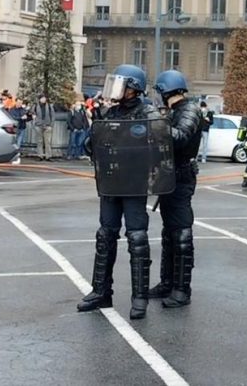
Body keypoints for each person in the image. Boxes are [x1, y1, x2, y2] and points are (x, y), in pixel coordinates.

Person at [78, 65, 162, 319]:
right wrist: (97, 126)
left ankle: (139, 297)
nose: (116, 89)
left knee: (137, 239)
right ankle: (101, 291)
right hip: (112, 182)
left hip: (134, 185)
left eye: (121, 85)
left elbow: (157, 146)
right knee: (105, 235)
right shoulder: (110, 112)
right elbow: (90, 147)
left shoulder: (148, 112)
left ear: (133, 88)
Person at [148, 69, 202, 308]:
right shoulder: (175, 111)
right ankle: (167, 283)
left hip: (181, 177)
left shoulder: (189, 109)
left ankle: (182, 289)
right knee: (169, 233)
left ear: (166, 90)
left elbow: (180, 137)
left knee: (181, 233)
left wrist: (156, 124)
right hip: (171, 176)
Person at [31, 95, 55, 161]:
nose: (44, 99)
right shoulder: (35, 106)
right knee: (39, 141)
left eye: (44, 98)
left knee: (48, 142)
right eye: (42, 98)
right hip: (38, 125)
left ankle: (48, 156)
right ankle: (40, 156)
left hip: (47, 125)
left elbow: (53, 116)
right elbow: (32, 113)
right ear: (39, 99)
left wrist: (51, 125)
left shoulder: (49, 106)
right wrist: (35, 123)